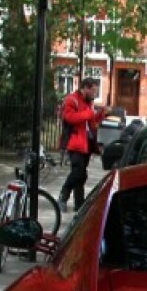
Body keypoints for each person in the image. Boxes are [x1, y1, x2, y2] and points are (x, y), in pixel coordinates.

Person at [58, 78, 106, 211]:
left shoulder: (88, 103)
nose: (95, 94)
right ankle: (63, 195)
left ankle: (79, 204)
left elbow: (91, 122)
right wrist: (89, 113)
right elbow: (70, 118)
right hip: (74, 142)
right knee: (78, 171)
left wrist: (101, 115)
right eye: (93, 90)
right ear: (85, 88)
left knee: (82, 174)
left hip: (86, 143)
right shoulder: (71, 100)